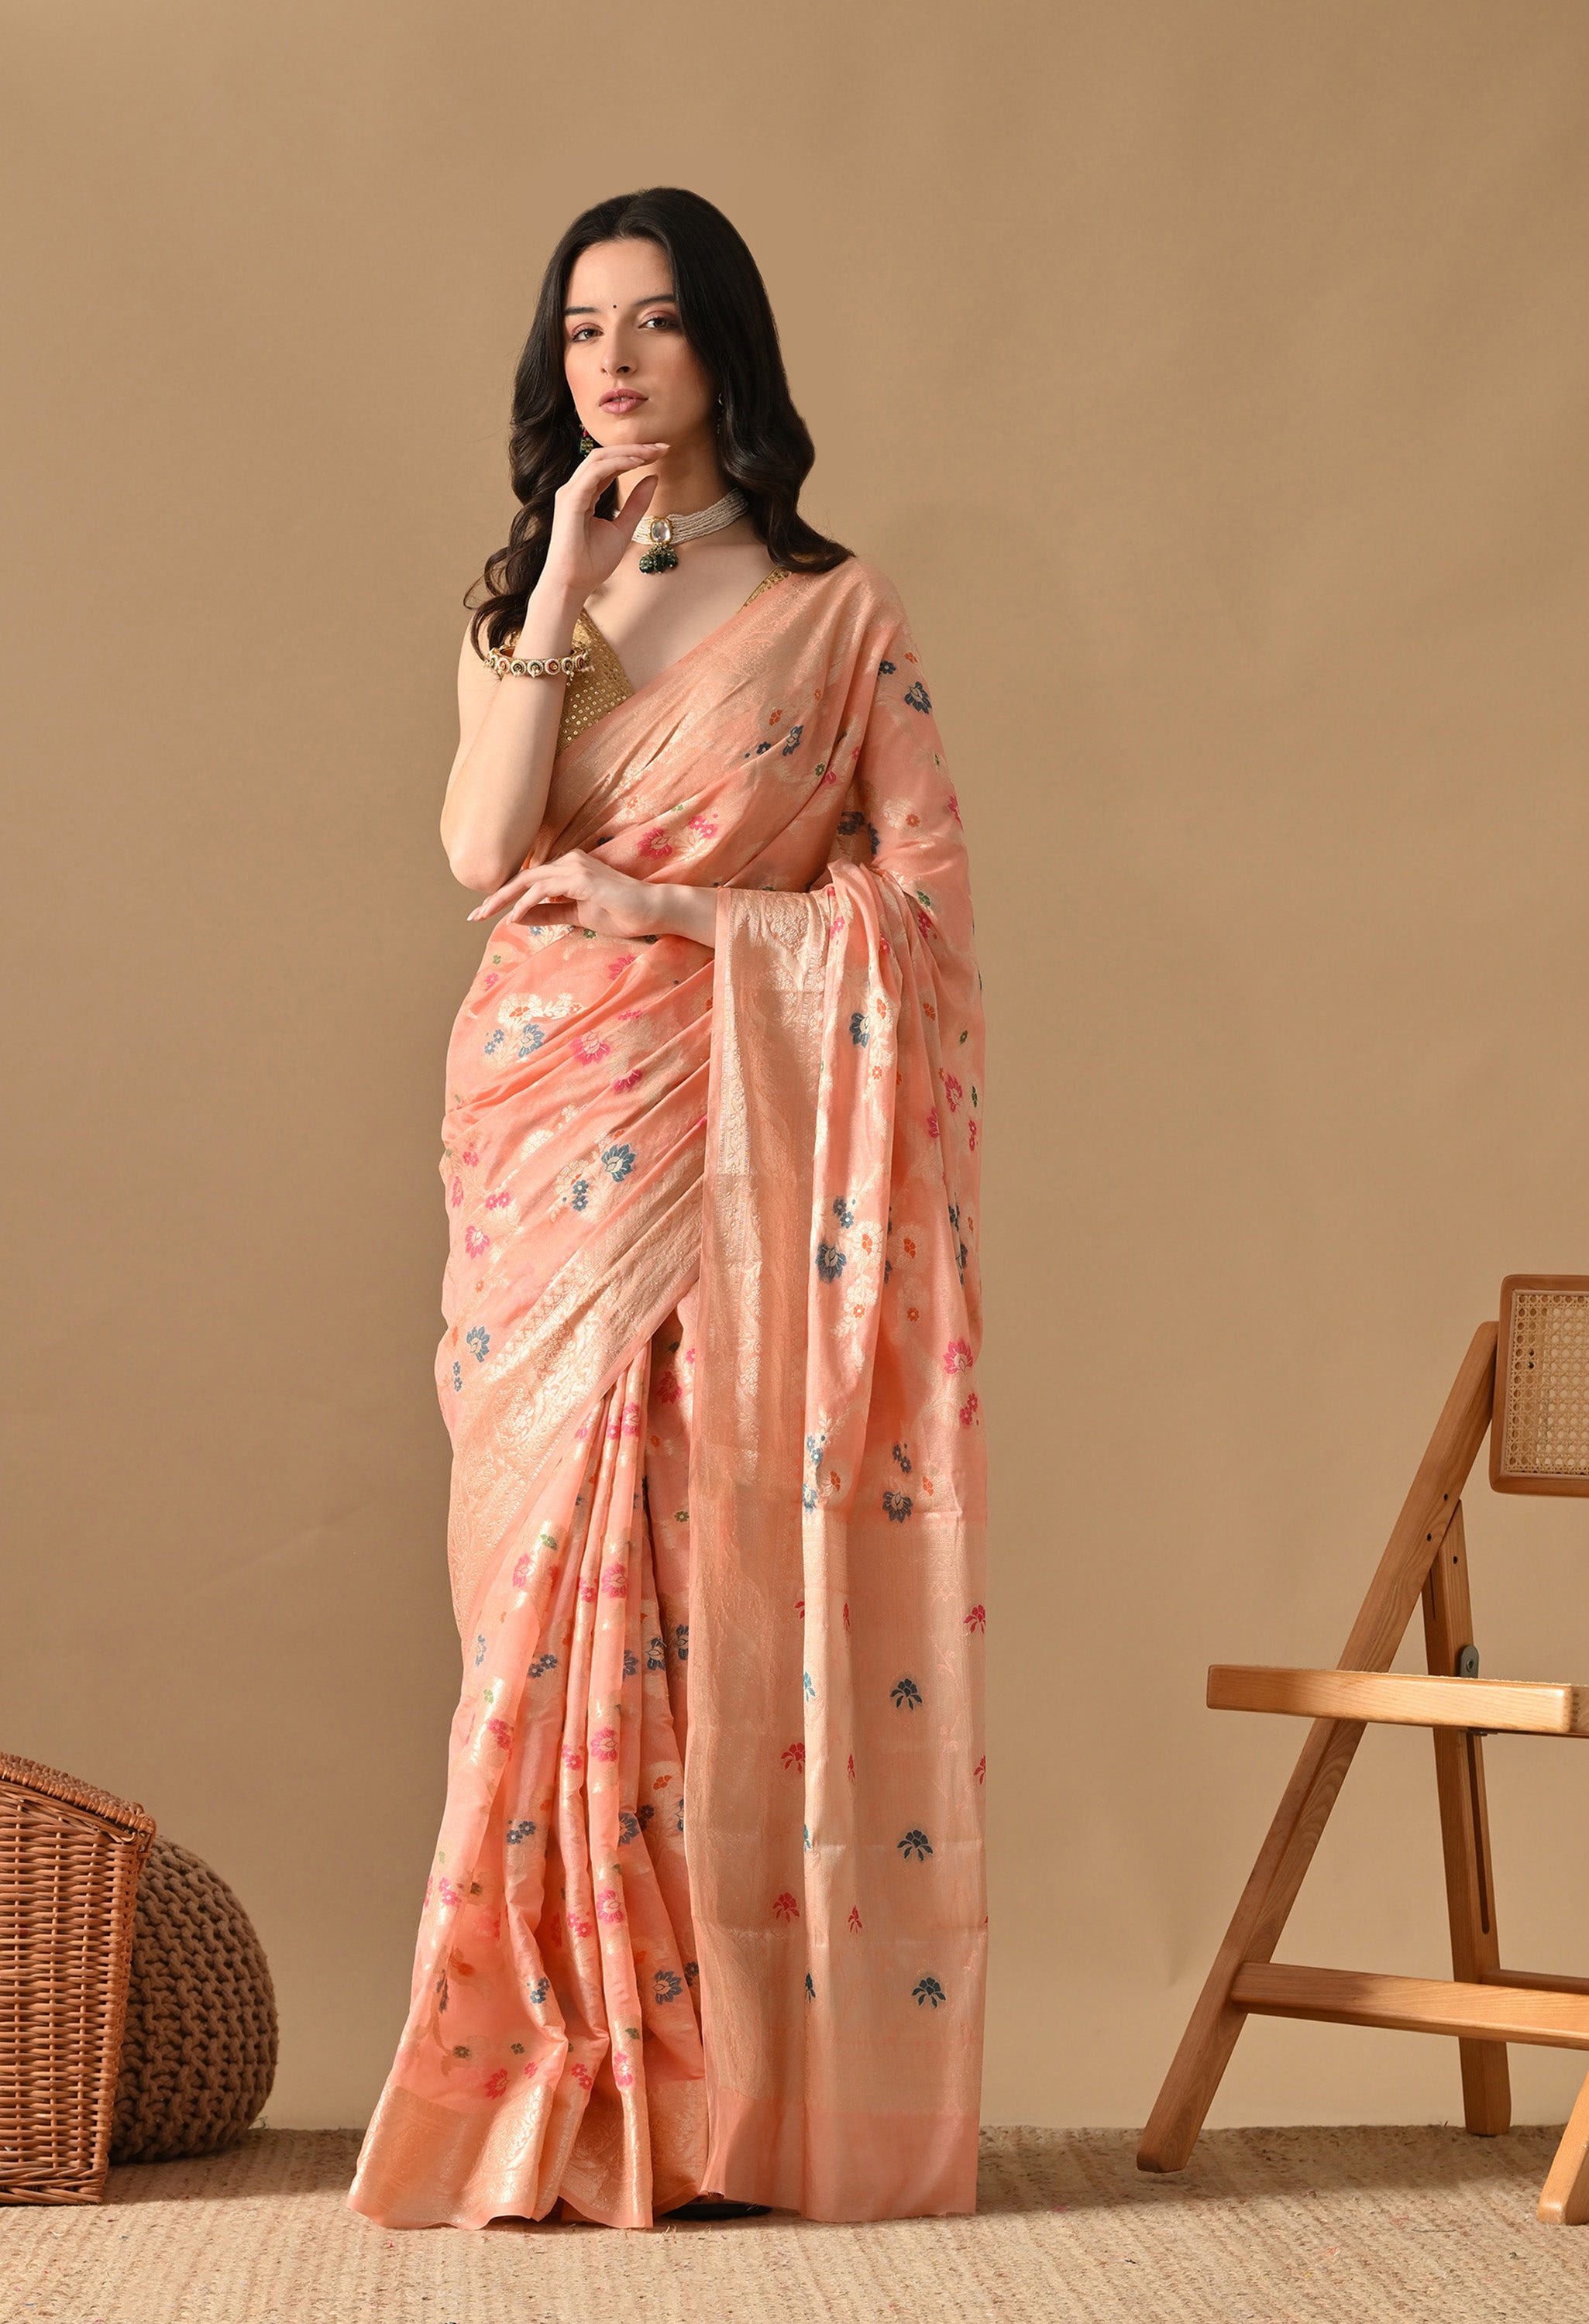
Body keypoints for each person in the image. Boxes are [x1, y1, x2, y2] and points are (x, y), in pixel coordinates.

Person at [348, 186, 987, 2233]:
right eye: (578, 331)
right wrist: (560, 563)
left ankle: (701, 2096)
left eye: (653, 324)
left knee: (699, 1582)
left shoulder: (837, 606)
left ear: (727, 350)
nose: (610, 360)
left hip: (730, 1120)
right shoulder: (526, 597)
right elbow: (474, 841)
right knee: (530, 1592)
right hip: (539, 1125)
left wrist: (673, 912)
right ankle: (555, 2080)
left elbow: (921, 917)